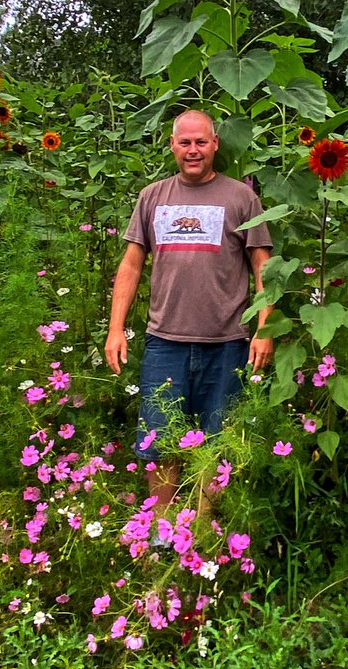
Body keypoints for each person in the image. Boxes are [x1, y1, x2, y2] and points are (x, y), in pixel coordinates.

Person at [105, 110, 273, 505]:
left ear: (215, 144)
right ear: (172, 145)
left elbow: (263, 267)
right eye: (185, 143)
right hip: (166, 342)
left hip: (228, 341)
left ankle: (202, 535)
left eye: (201, 142)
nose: (193, 150)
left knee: (219, 443)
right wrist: (116, 328)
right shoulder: (153, 197)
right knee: (159, 442)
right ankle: (162, 530)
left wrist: (264, 329)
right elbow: (131, 265)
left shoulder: (241, 197)